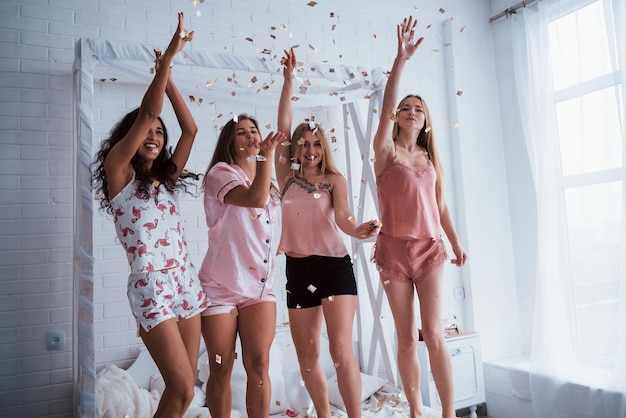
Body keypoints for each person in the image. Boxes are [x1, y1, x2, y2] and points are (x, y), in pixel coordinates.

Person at [91, 13, 208, 418]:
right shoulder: (118, 174)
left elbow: (190, 130)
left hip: (185, 281)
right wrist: (168, 59)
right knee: (178, 387)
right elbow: (146, 114)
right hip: (151, 288)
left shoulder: (166, 179)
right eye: (149, 131)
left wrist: (169, 77)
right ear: (133, 137)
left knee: (187, 391)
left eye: (160, 132)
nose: (155, 135)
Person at [275, 48, 380, 418]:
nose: (310, 148)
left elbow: (345, 220)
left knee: (339, 350)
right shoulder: (286, 178)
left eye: (316, 142)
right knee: (307, 357)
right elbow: (283, 129)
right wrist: (288, 81)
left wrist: (361, 229)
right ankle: (324, 414)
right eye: (304, 143)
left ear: (324, 147)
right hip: (297, 270)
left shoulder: (335, 180)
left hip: (334, 267)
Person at [371, 16, 467, 418]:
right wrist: (400, 60)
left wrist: (456, 242)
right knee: (406, 338)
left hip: (430, 249)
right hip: (393, 252)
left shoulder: (429, 159)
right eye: (405, 108)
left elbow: (441, 205)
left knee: (434, 333)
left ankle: (447, 412)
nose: (411, 112)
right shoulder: (386, 153)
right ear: (397, 117)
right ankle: (415, 409)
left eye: (418, 109)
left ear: (426, 121)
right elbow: (387, 106)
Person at [198, 114, 286, 418]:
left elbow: (266, 227)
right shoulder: (220, 173)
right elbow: (253, 199)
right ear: (230, 143)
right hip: (220, 288)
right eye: (241, 133)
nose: (250, 136)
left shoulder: (268, 184)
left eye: (254, 131)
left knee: (259, 365)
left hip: (259, 288)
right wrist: (266, 157)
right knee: (221, 368)